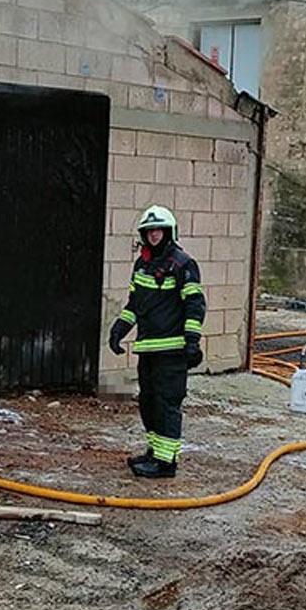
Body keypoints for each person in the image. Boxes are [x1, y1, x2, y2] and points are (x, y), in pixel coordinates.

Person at [107, 205, 206, 478]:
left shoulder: (184, 264)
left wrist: (192, 341)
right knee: (148, 403)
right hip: (148, 350)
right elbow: (134, 304)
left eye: (158, 230)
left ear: (169, 232)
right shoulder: (142, 265)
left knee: (167, 405)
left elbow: (195, 306)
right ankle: (154, 452)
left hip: (172, 352)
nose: (153, 235)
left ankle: (166, 463)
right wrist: (119, 329)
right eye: (149, 230)